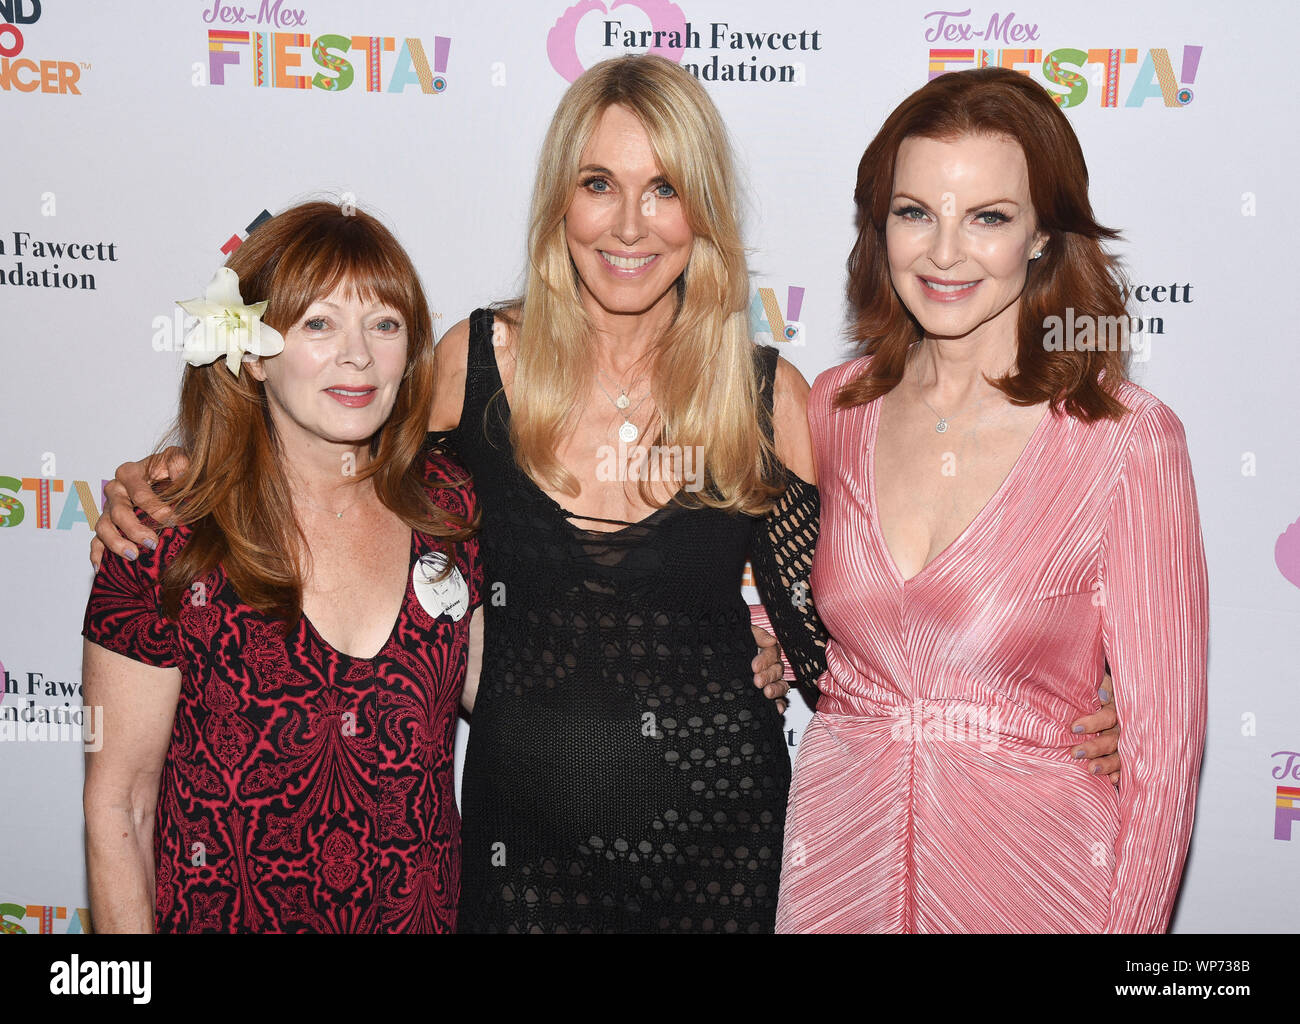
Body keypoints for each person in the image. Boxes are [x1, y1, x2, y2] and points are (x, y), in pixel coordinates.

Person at [93, 56, 1123, 933]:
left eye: (664, 188)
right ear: (561, 202)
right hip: (518, 863)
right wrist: (181, 478)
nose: (630, 223)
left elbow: (881, 620)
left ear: (702, 212)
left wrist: (1055, 700)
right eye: (599, 184)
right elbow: (336, 458)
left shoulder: (765, 399)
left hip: (722, 857)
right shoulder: (472, 366)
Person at [775, 67, 1208, 933]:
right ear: (879, 224)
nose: (944, 253)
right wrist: (750, 639)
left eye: (988, 217)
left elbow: (1164, 763)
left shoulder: (1126, 439)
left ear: (1043, 233)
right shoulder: (835, 409)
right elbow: (825, 613)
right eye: (915, 212)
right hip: (838, 875)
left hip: (1034, 883)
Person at [81, 202, 482, 933]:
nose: (357, 355)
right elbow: (120, 806)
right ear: (253, 355)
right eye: (319, 324)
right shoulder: (165, 537)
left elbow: (517, 700)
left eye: (384, 324)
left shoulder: (448, 509)